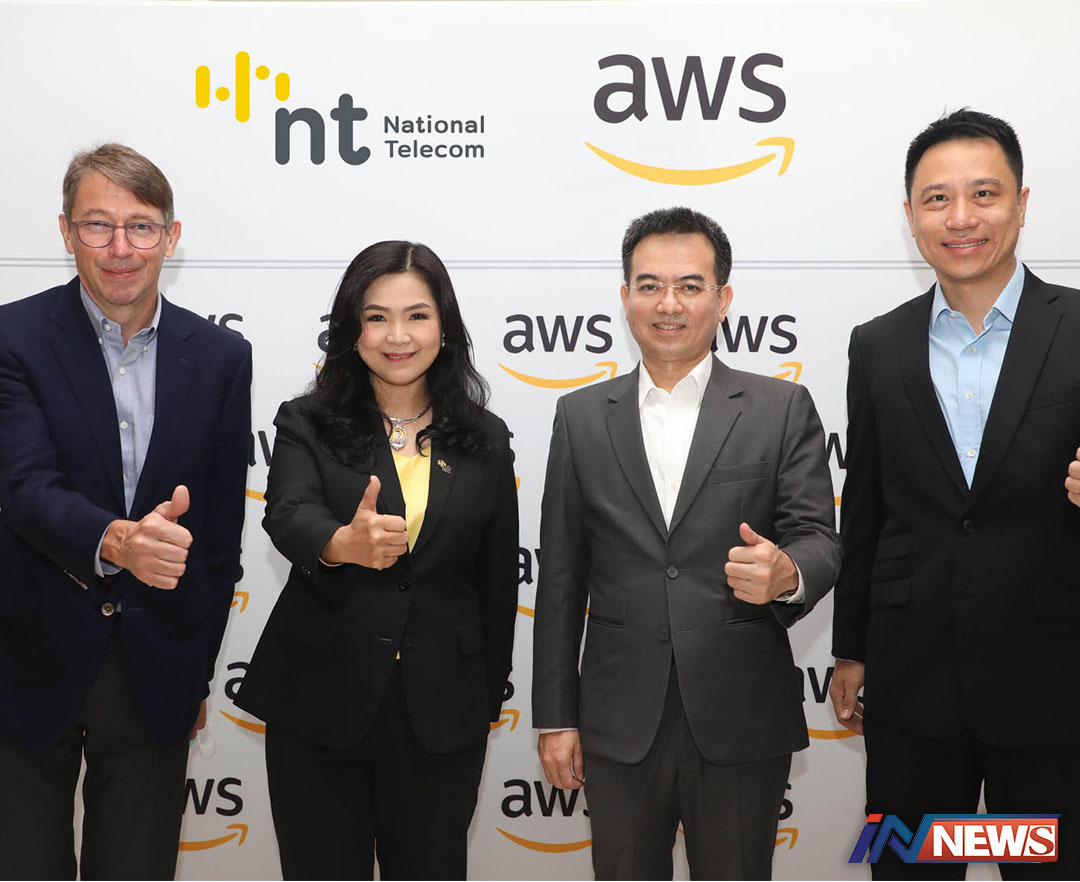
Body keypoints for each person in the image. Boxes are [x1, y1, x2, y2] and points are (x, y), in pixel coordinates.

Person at [532, 206, 840, 879]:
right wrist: (554, 718)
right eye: (650, 286)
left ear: (723, 298)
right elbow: (559, 579)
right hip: (618, 721)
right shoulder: (580, 417)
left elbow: (819, 537)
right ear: (625, 297)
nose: (668, 304)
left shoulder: (780, 408)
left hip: (741, 714)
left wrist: (787, 572)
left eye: (690, 286)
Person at [830, 109, 1080, 879]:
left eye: (984, 194)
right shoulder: (876, 344)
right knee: (911, 866)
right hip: (913, 683)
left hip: (1053, 682)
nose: (961, 218)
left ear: (1022, 204)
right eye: (937, 199)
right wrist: (849, 648)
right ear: (911, 216)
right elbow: (866, 506)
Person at [0, 143, 251, 879]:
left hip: (156, 668)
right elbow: (23, 485)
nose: (119, 248)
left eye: (140, 226)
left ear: (171, 237)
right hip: (25, 663)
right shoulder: (12, 339)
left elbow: (219, 540)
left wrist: (196, 674)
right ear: (65, 231)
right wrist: (116, 541)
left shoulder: (221, 356)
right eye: (97, 225)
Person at [235, 240, 518, 880]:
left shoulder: (485, 437)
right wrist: (342, 544)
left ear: (444, 327)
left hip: (442, 712)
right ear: (351, 330)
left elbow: (498, 580)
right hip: (319, 703)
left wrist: (483, 695)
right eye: (377, 317)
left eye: (417, 315)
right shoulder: (307, 421)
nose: (398, 336)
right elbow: (288, 512)